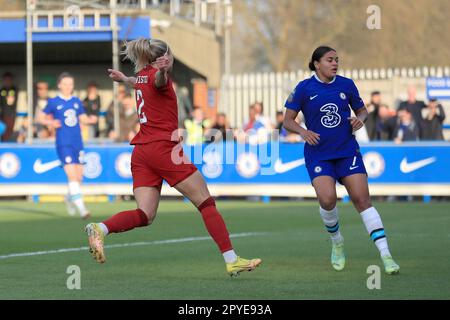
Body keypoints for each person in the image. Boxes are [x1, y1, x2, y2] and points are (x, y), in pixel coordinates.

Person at [85, 38, 261, 276]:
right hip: (163, 150)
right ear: (165, 56)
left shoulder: (141, 76)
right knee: (206, 202)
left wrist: (123, 79)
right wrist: (164, 71)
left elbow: (136, 81)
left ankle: (101, 228)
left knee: (145, 215)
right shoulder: (160, 77)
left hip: (141, 152)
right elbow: (159, 82)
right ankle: (232, 260)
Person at [283, 46, 400, 275]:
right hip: (319, 154)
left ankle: (386, 255)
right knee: (327, 200)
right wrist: (303, 132)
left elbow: (362, 111)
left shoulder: (346, 84)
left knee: (362, 200)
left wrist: (360, 119)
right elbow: (288, 120)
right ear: (317, 64)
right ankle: (337, 241)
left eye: (337, 59)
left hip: (347, 151)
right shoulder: (304, 88)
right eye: (330, 60)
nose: (335, 63)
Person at [38, 72, 98, 219]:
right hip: (63, 143)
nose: (67, 87)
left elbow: (82, 118)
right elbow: (39, 117)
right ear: (59, 85)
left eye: (70, 84)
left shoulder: (76, 101)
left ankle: (69, 198)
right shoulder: (53, 101)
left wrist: (90, 120)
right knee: (72, 177)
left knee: (79, 178)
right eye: (65, 84)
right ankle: (83, 209)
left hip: (77, 142)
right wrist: (50, 122)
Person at [0, 72, 18, 142]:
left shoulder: (13, 90)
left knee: (8, 131)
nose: (7, 82)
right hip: (2, 115)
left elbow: (10, 102)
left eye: (9, 80)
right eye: (5, 80)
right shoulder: (2, 89)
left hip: (10, 115)